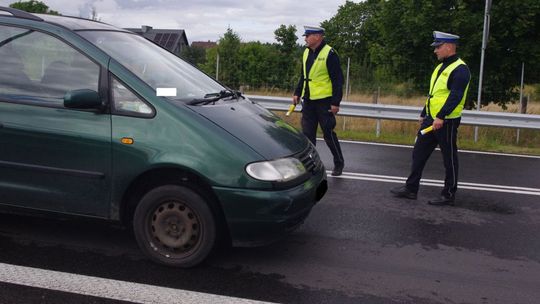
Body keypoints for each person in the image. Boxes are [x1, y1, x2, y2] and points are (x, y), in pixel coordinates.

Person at [390, 31, 471, 206]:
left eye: (438, 47)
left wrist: (441, 116)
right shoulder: (440, 67)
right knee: (418, 152)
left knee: (449, 159)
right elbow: (433, 95)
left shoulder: (460, 69)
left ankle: (448, 195)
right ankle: (411, 189)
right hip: (431, 119)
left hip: (446, 121)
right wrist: (423, 113)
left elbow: (455, 96)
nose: (435, 51)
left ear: (449, 46)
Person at [293, 25, 345, 176]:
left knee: (328, 133)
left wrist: (336, 102)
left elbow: (337, 80)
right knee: (308, 135)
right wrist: (297, 92)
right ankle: (311, 166)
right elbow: (303, 76)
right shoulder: (306, 52)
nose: (305, 39)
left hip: (324, 102)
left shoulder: (330, 53)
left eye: (307, 36)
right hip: (308, 101)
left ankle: (339, 163)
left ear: (317, 36)